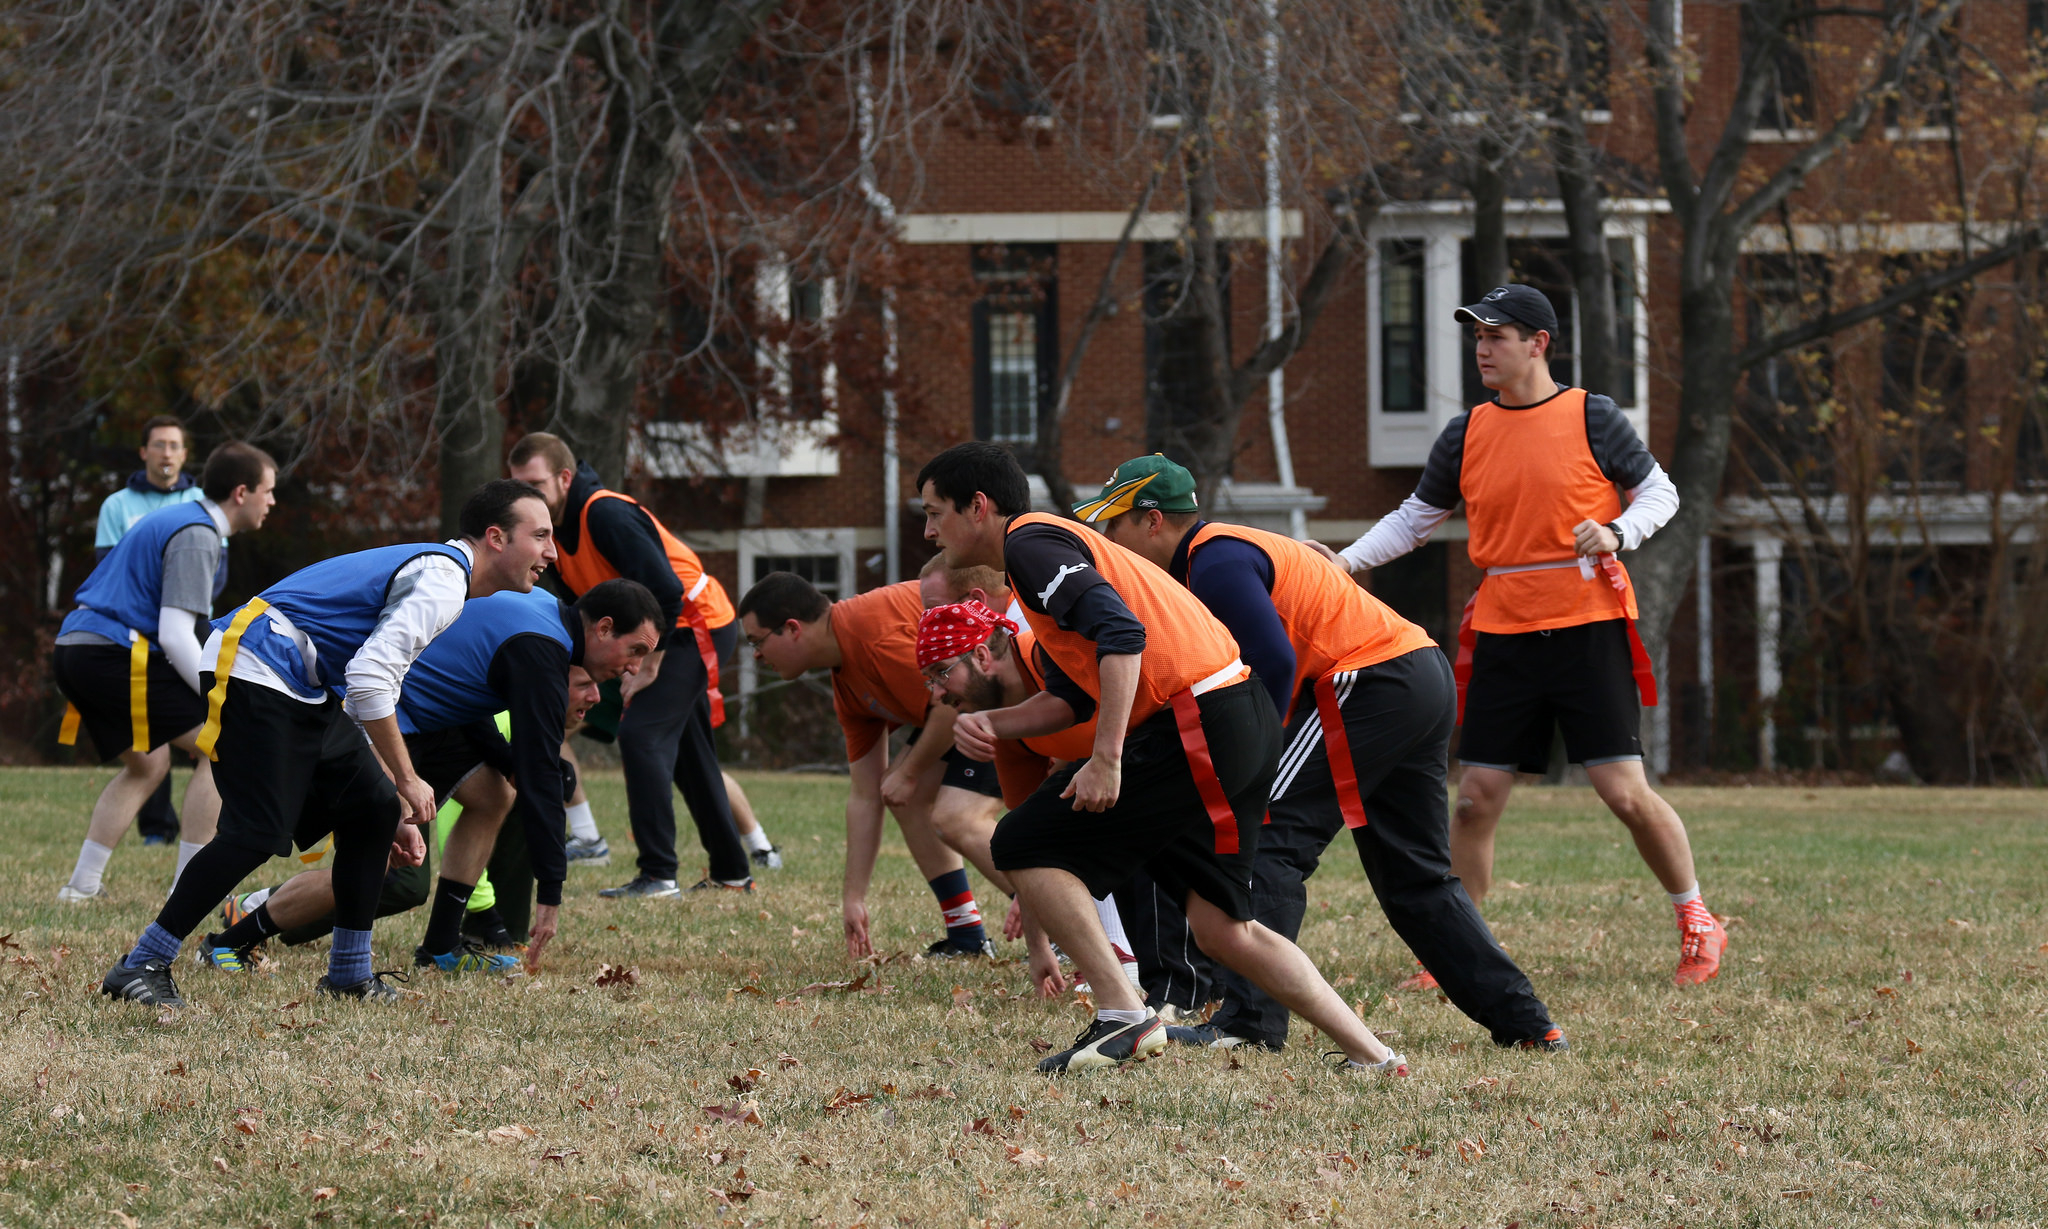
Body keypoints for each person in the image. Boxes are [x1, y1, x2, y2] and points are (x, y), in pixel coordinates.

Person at [916, 442, 1408, 1077]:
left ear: (977, 507)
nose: (928, 529)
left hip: (1199, 717)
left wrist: (1107, 757)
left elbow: (1122, 635)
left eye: (933, 512)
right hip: (1235, 714)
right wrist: (997, 721)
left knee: (1020, 844)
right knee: (1223, 929)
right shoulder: (1033, 561)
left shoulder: (1032, 545)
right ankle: (1375, 1056)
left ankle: (1124, 1013)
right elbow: (1072, 691)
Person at [1082, 453, 1567, 1052]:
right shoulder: (1215, 557)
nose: (1108, 542)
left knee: (1264, 837)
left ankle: (1249, 1025)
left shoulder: (1214, 559)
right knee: (1416, 878)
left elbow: (1276, 662)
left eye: (1113, 525)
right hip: (1413, 671)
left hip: (1369, 681)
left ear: (1152, 521)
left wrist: (1254, 759)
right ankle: (1529, 1026)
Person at [1319, 283, 1726, 987]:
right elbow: (1418, 515)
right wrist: (1346, 560)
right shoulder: (1466, 431)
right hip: (1504, 625)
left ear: (1539, 343)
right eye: (1478, 337)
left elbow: (1662, 492)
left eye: (1497, 336)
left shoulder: (1594, 414)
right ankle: (1457, 948)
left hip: (1587, 624)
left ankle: (1696, 917)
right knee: (1475, 796)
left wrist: (1620, 530)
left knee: (1624, 792)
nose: (1483, 348)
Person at [98, 479, 558, 1008]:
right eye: (540, 535)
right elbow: (369, 681)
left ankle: (348, 974)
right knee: (255, 833)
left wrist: (395, 792)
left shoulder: (446, 576)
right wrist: (408, 776)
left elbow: (362, 686)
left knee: (374, 808)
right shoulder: (443, 582)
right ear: (496, 538)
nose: (550, 551)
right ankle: (141, 964)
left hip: (303, 681)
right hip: (255, 663)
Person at [196, 581, 662, 975]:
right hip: (383, 725)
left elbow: (463, 692)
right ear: (603, 628)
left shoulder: (541, 610)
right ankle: (228, 941)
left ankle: (441, 947)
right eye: (635, 650)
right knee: (398, 879)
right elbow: (539, 773)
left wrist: (507, 763)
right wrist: (551, 897)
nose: (635, 668)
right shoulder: (541, 643)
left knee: (493, 794)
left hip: (432, 727)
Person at [507, 433, 752, 897]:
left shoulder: (604, 512)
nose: (528, 495)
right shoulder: (550, 532)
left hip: (690, 624)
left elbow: (666, 590)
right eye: (519, 485)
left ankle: (658, 875)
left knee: (641, 734)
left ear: (564, 478)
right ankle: (732, 873)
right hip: (656, 630)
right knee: (690, 755)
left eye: (536, 483)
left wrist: (651, 661)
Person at [54, 443, 278, 902]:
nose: (271, 502)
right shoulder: (198, 534)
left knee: (148, 764)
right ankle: (188, 892)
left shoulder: (187, 521)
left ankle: (80, 888)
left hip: (79, 647)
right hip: (112, 652)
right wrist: (215, 695)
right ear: (241, 493)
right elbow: (175, 633)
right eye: (268, 491)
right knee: (218, 744)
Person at [737, 573, 1000, 960]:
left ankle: (1062, 928)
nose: (757, 656)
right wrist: (854, 898)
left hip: (1004, 694)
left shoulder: (872, 637)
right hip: (966, 709)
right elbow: (865, 794)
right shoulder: (846, 678)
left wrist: (909, 773)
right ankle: (967, 935)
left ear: (792, 628)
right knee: (903, 795)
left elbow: (954, 703)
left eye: (757, 642)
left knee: (956, 817)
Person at [916, 561, 1143, 996]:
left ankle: (1138, 965)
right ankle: (1121, 959)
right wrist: (1038, 946)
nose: (939, 695)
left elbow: (1125, 650)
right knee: (1041, 826)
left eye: (941, 673)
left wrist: (1105, 758)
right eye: (930, 681)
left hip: (1175, 736)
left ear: (982, 655)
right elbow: (1025, 843)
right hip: (1122, 763)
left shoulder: (1047, 656)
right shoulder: (1005, 724)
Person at [92, 415, 212, 845]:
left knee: (207, 731)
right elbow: (110, 570)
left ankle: (206, 830)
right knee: (152, 730)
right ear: (144, 452)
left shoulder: (201, 500)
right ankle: (158, 829)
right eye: (158, 445)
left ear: (184, 454)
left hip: (188, 625)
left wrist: (179, 604)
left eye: (174, 445)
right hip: (135, 632)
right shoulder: (117, 506)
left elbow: (215, 573)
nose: (166, 453)